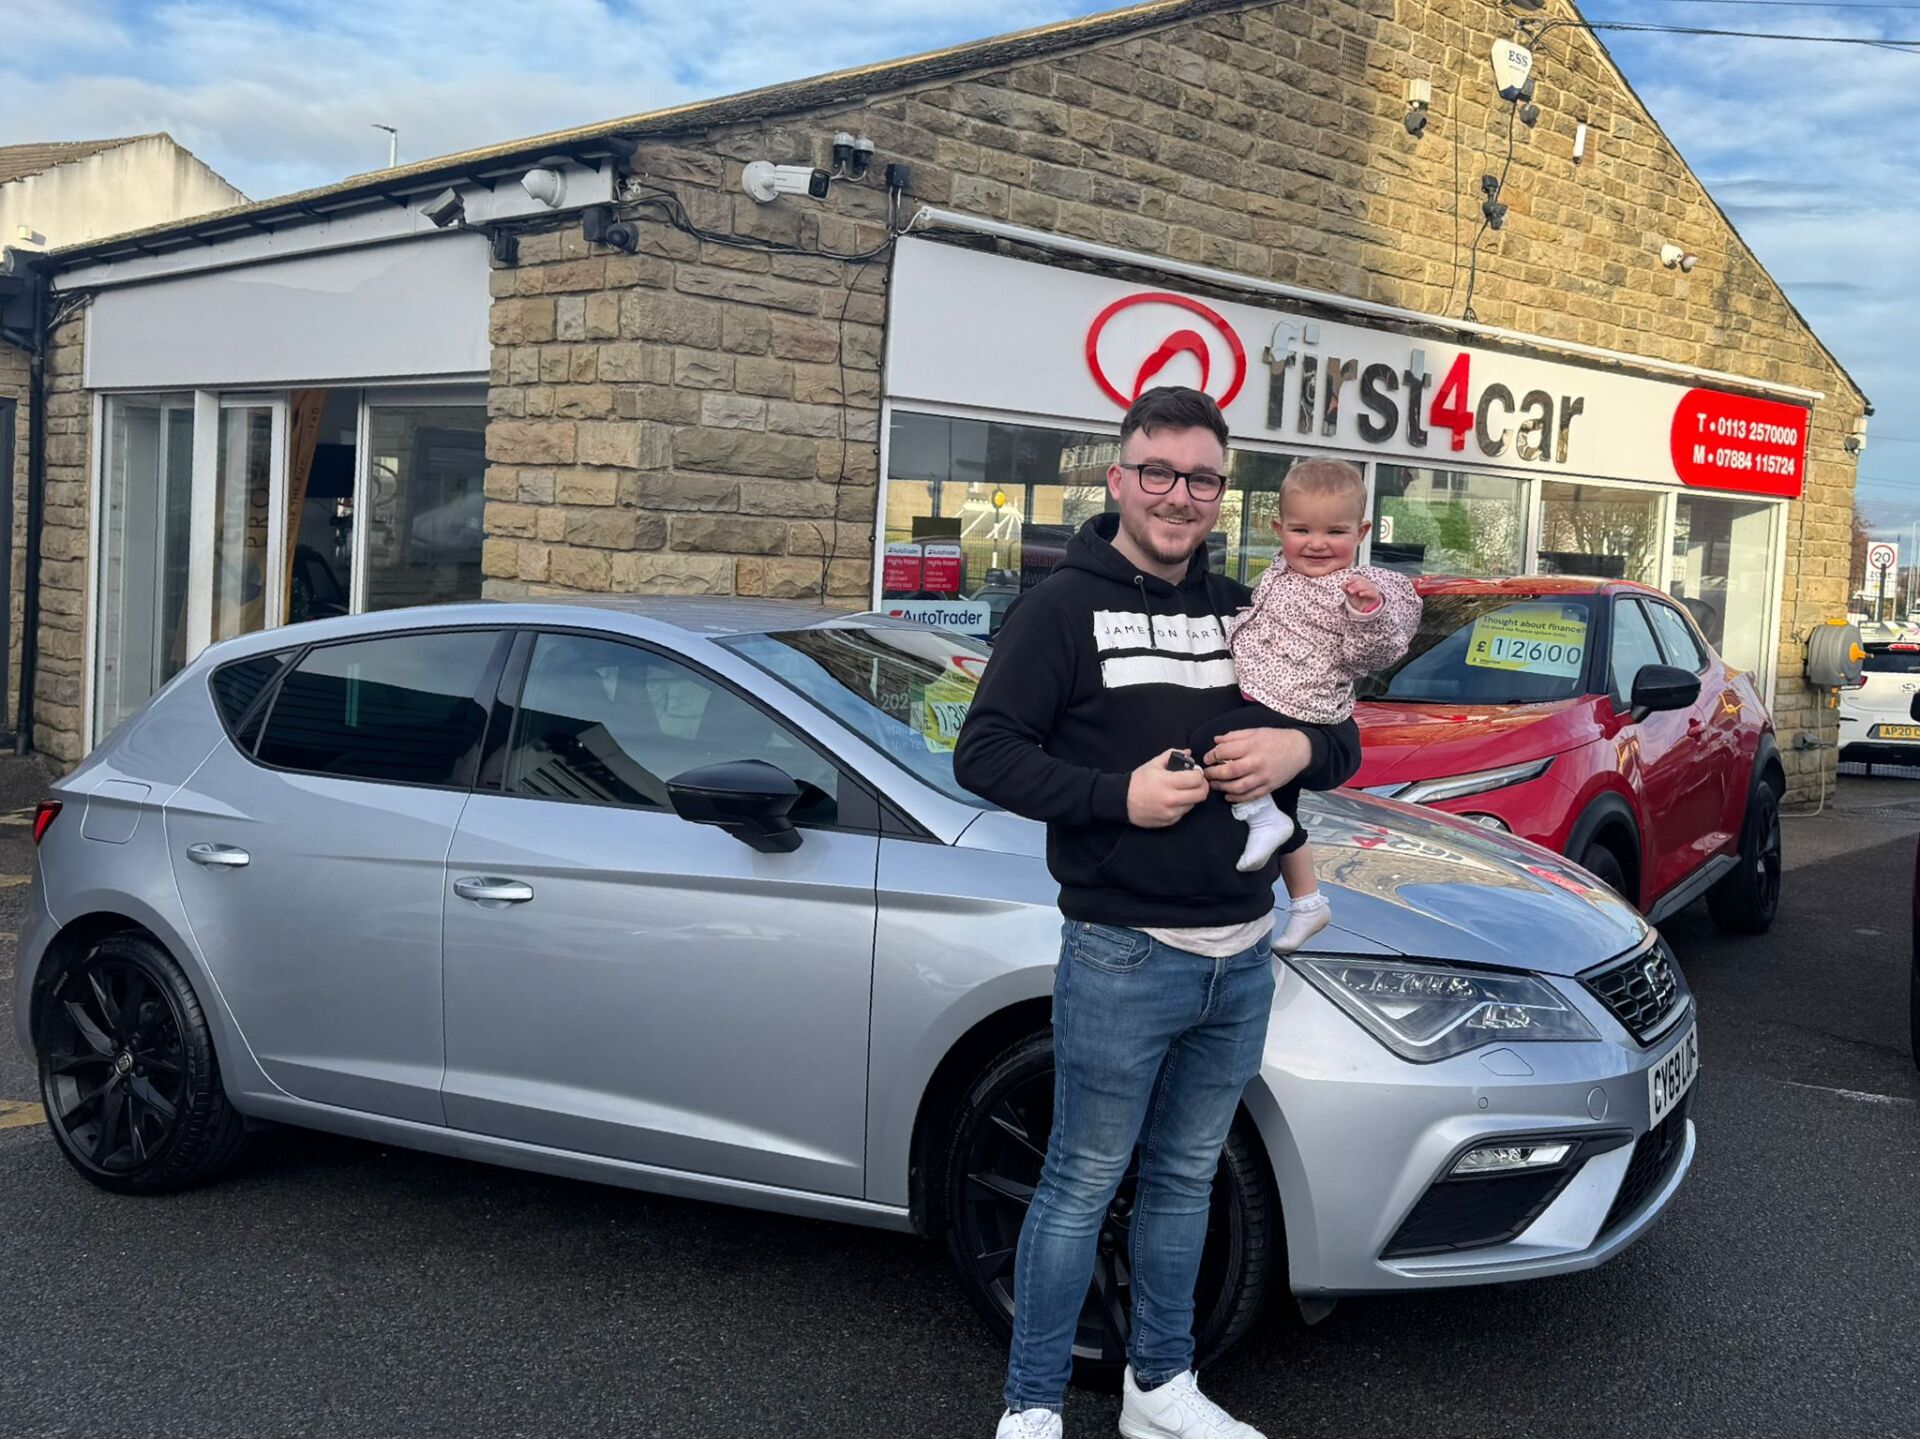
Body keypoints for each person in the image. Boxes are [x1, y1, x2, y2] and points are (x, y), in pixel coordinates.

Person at [953, 386, 1361, 1439]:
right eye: (1159, 473)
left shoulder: (1252, 607)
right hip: (1124, 948)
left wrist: (1299, 749)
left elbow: (1342, 726)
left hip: (1243, 949)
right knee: (1081, 1179)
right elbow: (984, 750)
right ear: (1120, 479)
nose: (1180, 496)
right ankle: (1033, 1404)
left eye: (1202, 478)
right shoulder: (1060, 606)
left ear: (1225, 494)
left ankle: (1158, 1388)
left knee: (1185, 1177)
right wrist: (1114, 797)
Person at [1199, 458, 1420, 952]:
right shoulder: (1283, 570)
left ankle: (1259, 817)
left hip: (1300, 701)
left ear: (1362, 532)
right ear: (1278, 529)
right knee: (1284, 809)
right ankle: (1308, 902)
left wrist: (1368, 613)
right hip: (1273, 689)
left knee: (1208, 742)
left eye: (1335, 531)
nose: (1317, 543)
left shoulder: (1364, 587)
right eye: (1301, 529)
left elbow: (1379, 650)